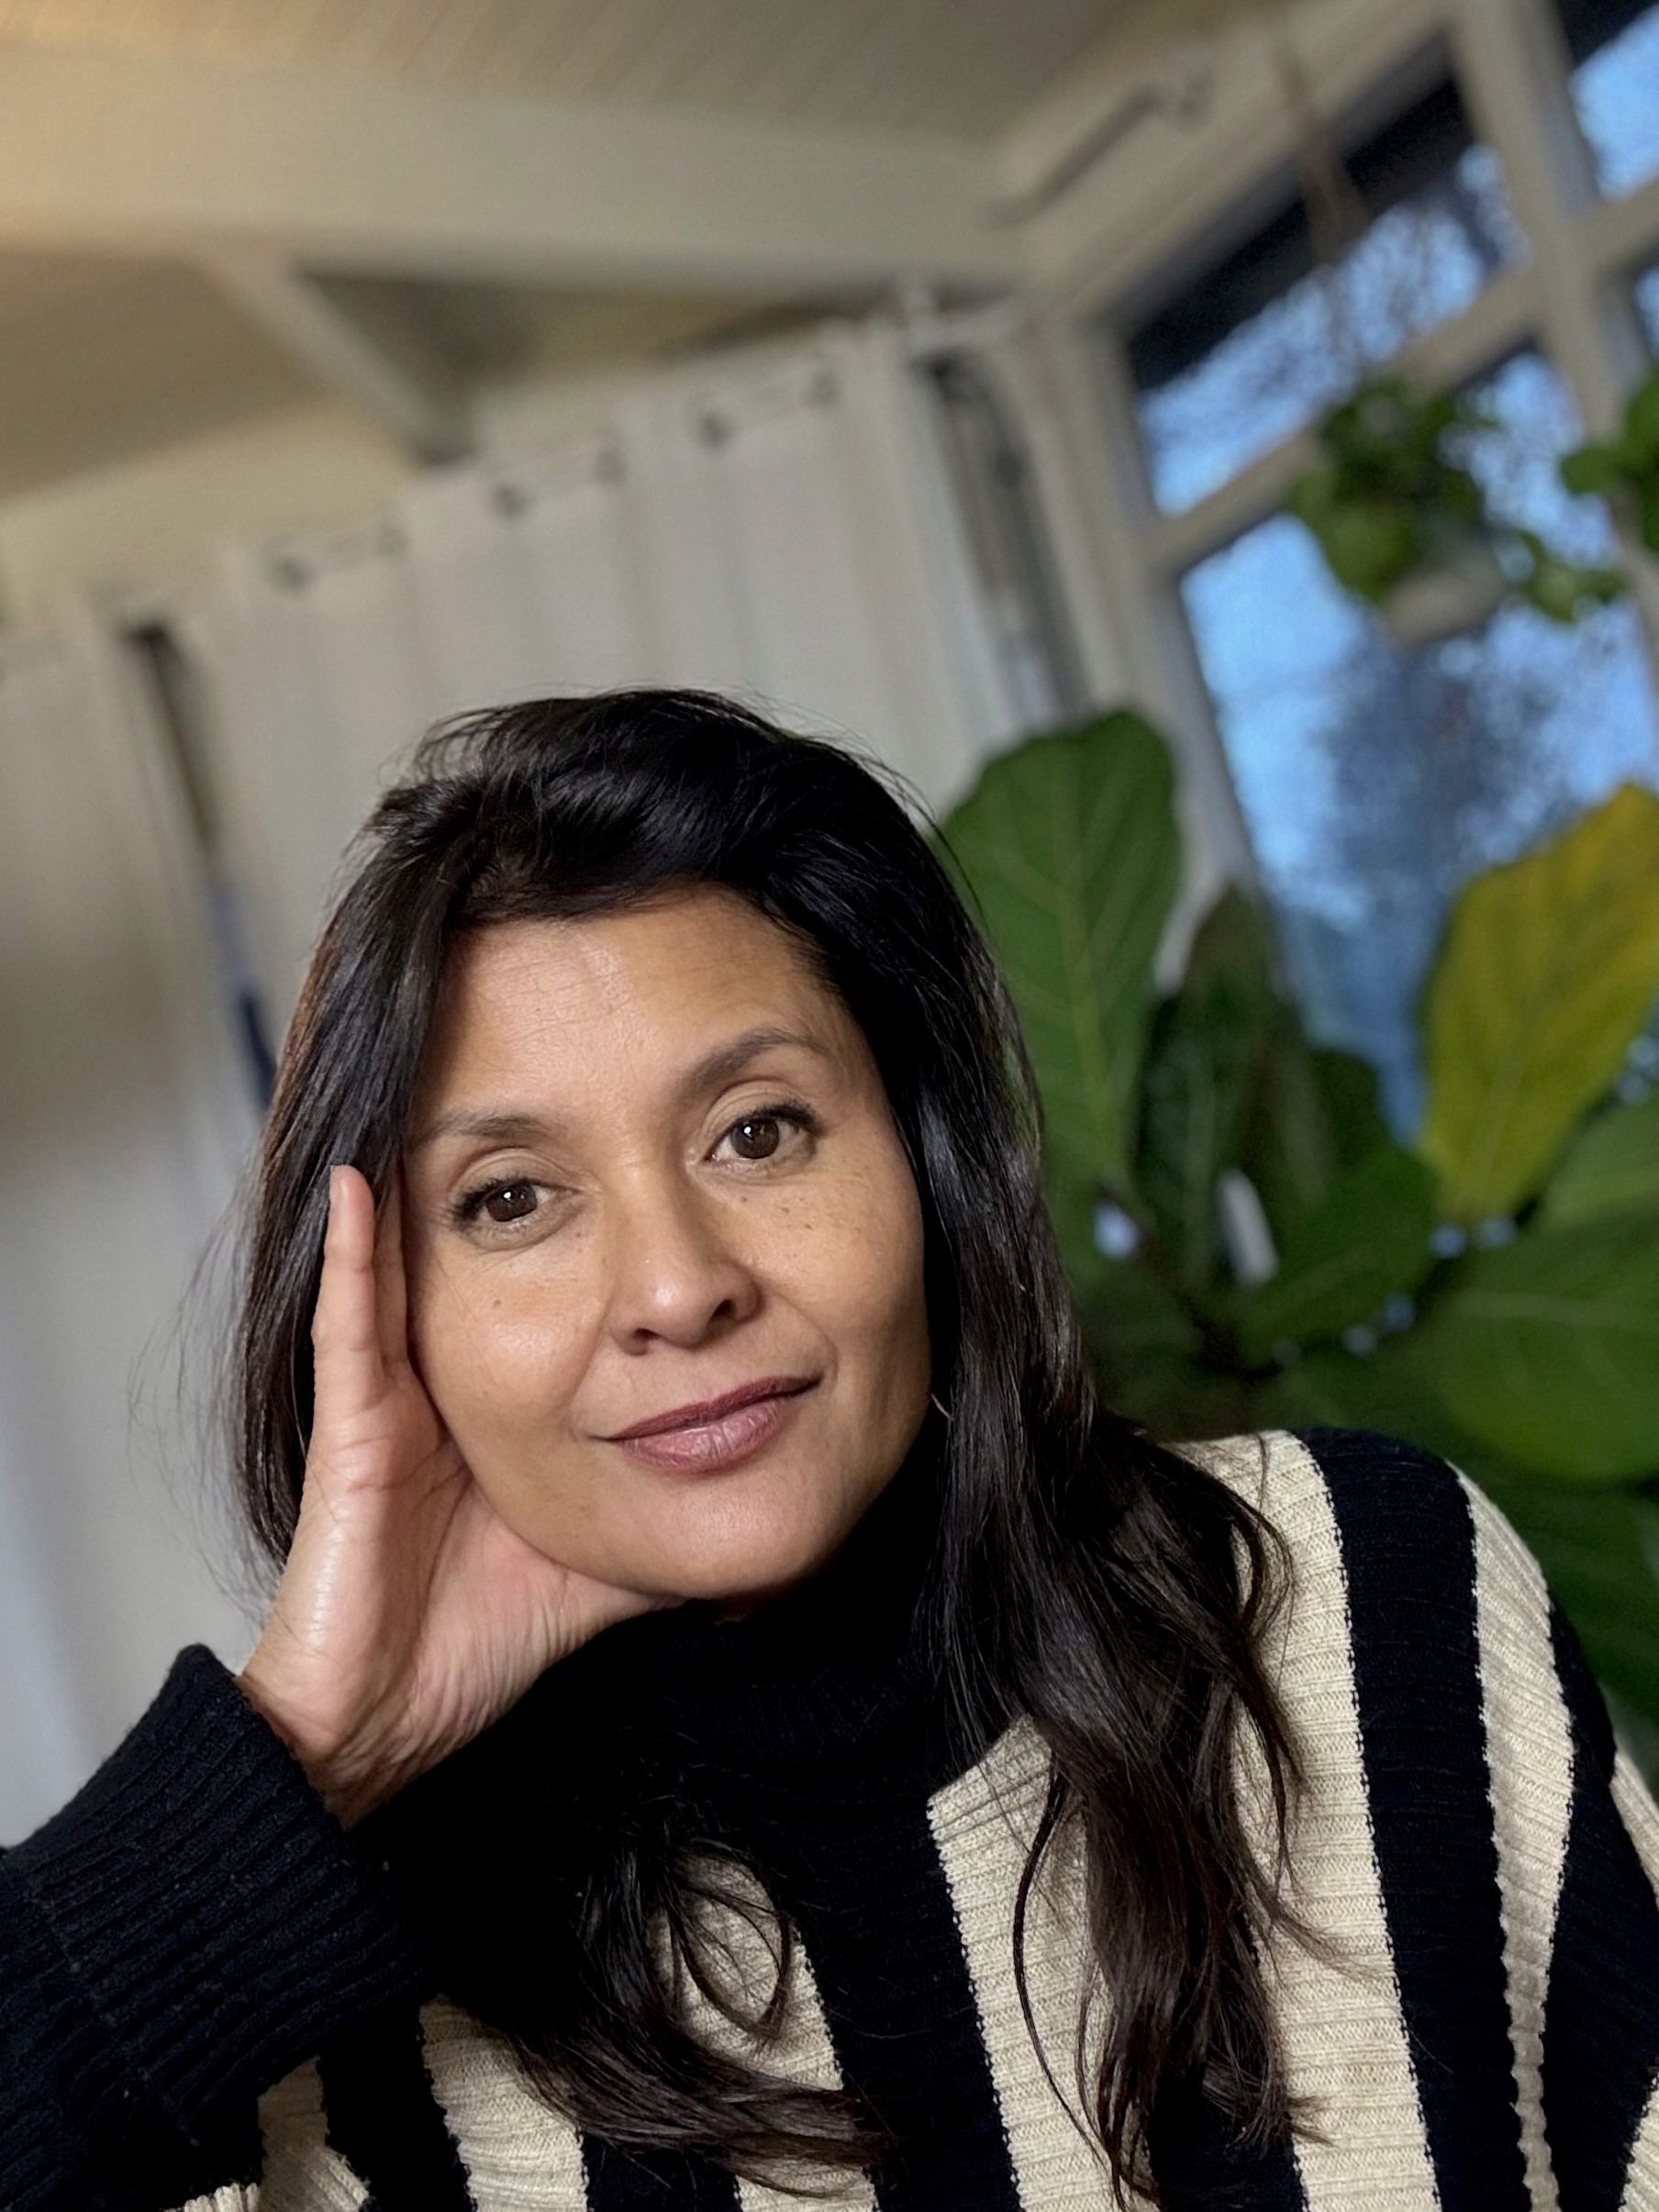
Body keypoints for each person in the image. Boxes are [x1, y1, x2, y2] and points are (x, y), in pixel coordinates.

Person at [1, 689, 1655, 2212]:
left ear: (931, 1171)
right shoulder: (281, 1997)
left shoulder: (1359, 1601)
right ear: (393, 1322)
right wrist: (305, 1762)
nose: (677, 1286)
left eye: (760, 1129)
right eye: (511, 1198)